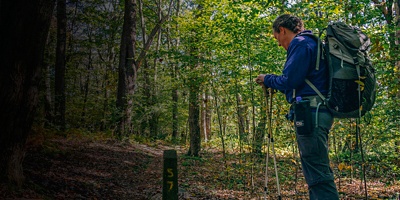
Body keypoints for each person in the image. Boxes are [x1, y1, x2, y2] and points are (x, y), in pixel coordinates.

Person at [255, 14, 339, 199]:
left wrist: (267, 79)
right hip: (316, 112)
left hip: (311, 114)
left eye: (277, 37)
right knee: (316, 171)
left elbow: (290, 80)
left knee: (318, 175)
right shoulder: (311, 44)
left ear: (282, 30)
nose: (278, 43)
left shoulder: (301, 44)